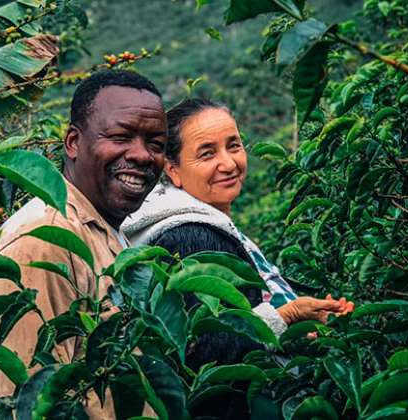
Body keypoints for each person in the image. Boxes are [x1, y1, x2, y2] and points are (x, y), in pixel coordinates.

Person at [122, 98, 353, 417]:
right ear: (172, 169)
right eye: (207, 153)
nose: (229, 163)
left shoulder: (204, 224)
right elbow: (207, 354)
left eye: (234, 145)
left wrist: (303, 329)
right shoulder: (191, 236)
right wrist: (288, 316)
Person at [0, 70, 167, 416]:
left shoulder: (106, 231)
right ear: (74, 143)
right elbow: (28, 400)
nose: (141, 155)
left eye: (156, 144)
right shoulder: (42, 240)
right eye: (121, 136)